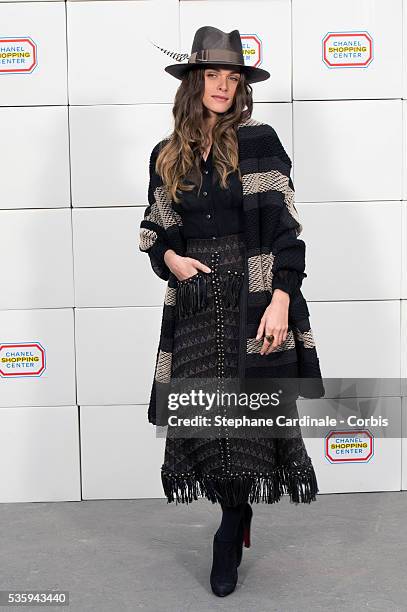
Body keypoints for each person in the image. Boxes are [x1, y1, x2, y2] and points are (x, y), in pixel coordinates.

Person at [139, 26, 324, 597]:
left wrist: (282, 300)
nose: (223, 85)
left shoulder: (261, 142)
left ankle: (228, 528)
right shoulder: (165, 155)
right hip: (194, 307)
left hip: (252, 295)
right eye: (213, 75)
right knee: (206, 424)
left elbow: (287, 229)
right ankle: (233, 511)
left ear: (241, 88)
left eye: (233, 77)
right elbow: (153, 232)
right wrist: (171, 256)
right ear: (194, 83)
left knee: (243, 428)